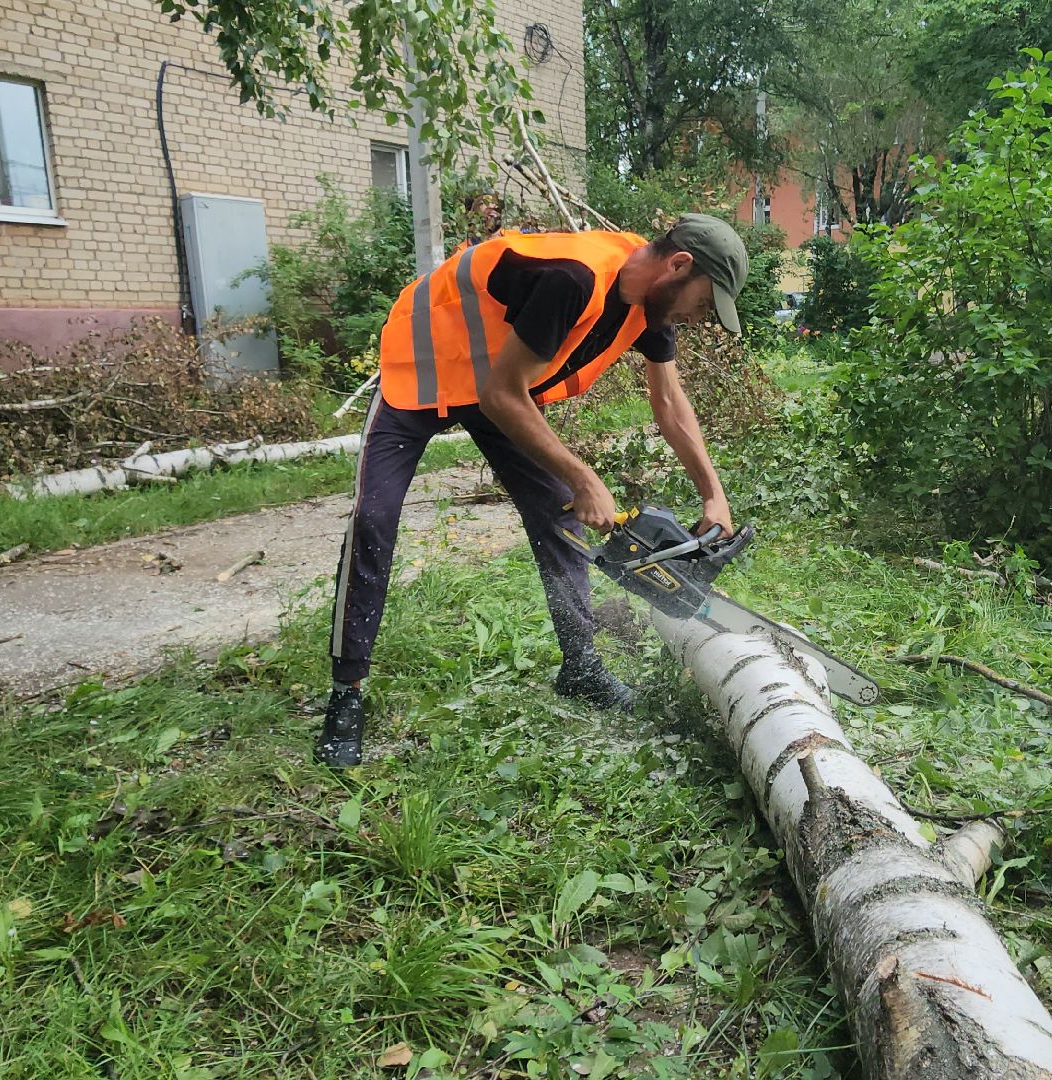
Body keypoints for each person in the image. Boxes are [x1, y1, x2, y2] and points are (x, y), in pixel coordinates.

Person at [315, 214, 750, 767]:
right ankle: (346, 695)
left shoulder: (650, 305)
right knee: (373, 519)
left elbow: (668, 403)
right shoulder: (572, 279)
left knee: (559, 516)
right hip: (423, 369)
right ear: (679, 265)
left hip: (497, 382)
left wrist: (713, 492)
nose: (698, 316)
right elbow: (503, 394)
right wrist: (584, 477)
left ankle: (581, 667)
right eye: (704, 302)